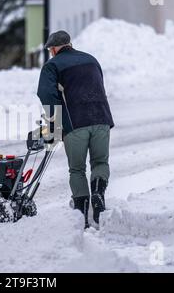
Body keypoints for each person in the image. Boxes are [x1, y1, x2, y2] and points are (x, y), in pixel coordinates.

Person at [37, 30, 115, 229]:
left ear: (54, 49)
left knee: (77, 169)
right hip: (102, 119)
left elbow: (47, 95)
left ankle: (82, 213)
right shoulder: (91, 60)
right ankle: (98, 193)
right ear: (69, 44)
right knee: (100, 162)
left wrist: (54, 126)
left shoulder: (52, 66)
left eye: (50, 49)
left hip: (75, 124)